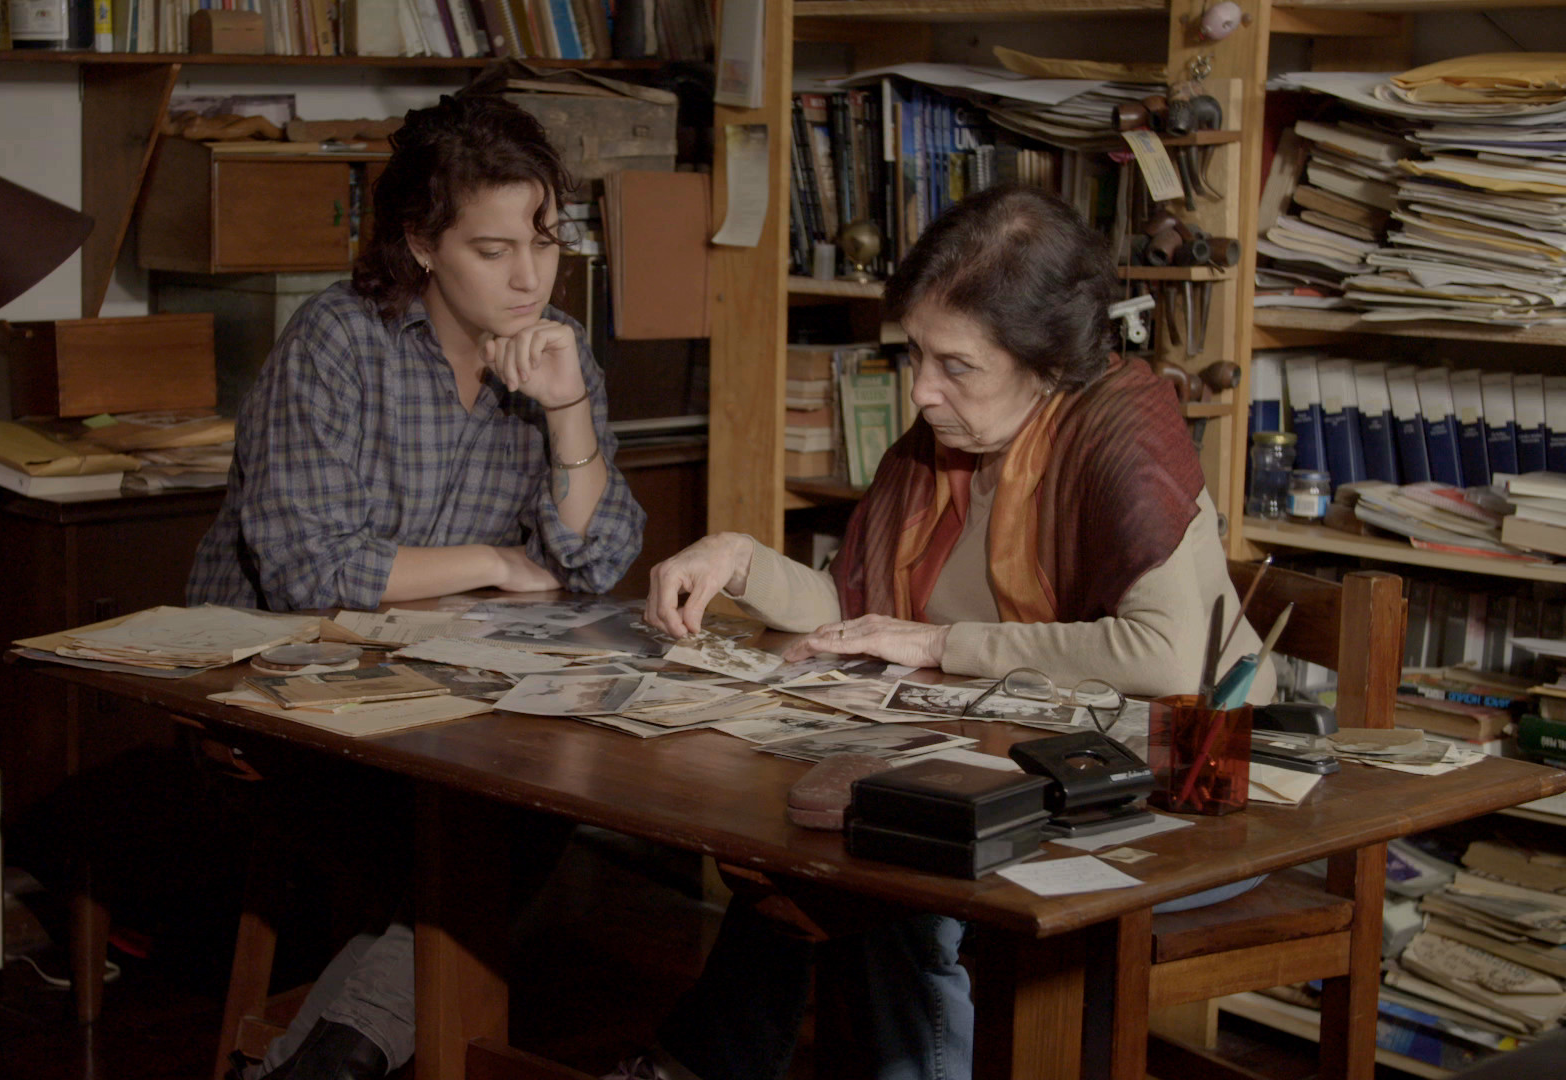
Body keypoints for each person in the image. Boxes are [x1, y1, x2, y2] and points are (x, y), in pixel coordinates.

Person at [628, 185, 1269, 1080]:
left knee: (897, 867)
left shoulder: (1120, 426)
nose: (922, 390)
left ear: (1047, 360)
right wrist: (738, 559)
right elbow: (856, 610)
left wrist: (939, 645)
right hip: (1011, 755)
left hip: (1176, 788)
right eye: (915, 354)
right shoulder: (952, 435)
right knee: (810, 843)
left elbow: (1162, 656)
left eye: (956, 364)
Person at [187, 92, 645, 1080]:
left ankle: (323, 1063)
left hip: (443, 691)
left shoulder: (556, 348)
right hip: (277, 687)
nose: (528, 277)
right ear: (423, 244)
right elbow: (311, 571)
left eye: (544, 242)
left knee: (532, 799)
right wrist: (496, 562)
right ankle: (344, 1055)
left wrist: (568, 408)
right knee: (493, 832)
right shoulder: (340, 339)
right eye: (493, 250)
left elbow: (595, 560)